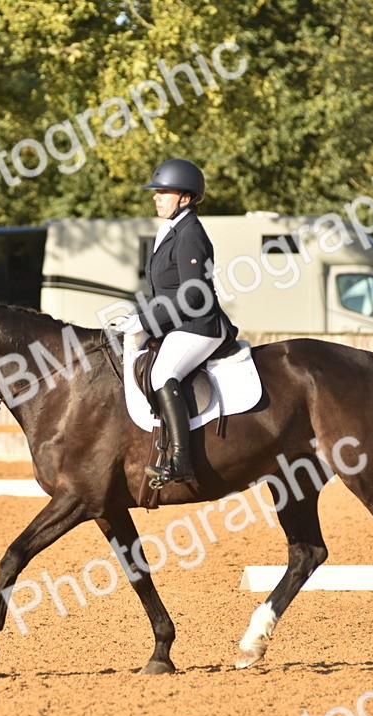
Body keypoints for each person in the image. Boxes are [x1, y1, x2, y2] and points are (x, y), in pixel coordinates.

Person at [137, 158, 238, 487]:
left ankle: (181, 461)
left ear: (185, 197)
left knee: (162, 374)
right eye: (156, 192)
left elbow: (193, 295)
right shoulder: (169, 231)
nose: (156, 197)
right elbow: (164, 290)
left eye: (163, 192)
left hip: (199, 325)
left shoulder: (190, 233)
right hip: (176, 324)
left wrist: (146, 320)